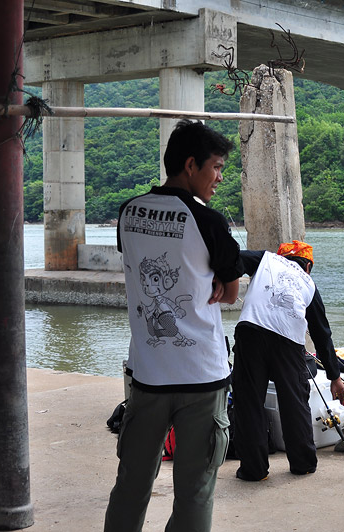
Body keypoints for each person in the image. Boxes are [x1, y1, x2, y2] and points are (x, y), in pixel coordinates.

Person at [104, 119, 243, 531]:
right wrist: (214, 279)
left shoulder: (129, 212)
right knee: (195, 490)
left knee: (130, 484)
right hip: (202, 377)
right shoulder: (209, 221)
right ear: (190, 165)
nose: (219, 178)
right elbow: (232, 293)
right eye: (216, 167)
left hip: (147, 376)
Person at [231, 240, 344, 481]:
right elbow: (322, 335)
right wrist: (335, 378)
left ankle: (254, 470)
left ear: (281, 256)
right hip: (289, 342)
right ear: (308, 267)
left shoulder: (265, 259)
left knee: (249, 401)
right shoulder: (309, 284)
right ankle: (303, 464)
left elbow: (234, 258)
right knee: (295, 401)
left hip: (251, 330)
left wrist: (222, 284)